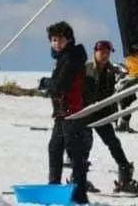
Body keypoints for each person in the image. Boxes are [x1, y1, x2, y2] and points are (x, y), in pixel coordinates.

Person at [85, 40, 138, 194]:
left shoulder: (112, 70)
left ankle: (125, 176)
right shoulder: (85, 68)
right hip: (86, 112)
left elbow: (125, 78)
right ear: (95, 52)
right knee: (84, 146)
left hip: (103, 113)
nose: (105, 55)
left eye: (108, 52)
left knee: (113, 143)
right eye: (102, 52)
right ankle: (78, 178)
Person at [45, 21, 92, 204]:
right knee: (55, 149)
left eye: (60, 39)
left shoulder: (72, 58)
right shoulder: (65, 58)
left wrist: (47, 84)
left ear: (69, 40)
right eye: (53, 40)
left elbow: (61, 85)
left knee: (75, 154)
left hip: (72, 113)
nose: (56, 43)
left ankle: (80, 194)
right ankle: (54, 188)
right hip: (62, 113)